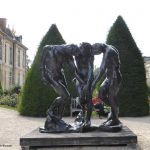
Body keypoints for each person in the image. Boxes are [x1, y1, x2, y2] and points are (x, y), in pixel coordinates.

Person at [40, 44, 83, 132]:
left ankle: (58, 117)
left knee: (66, 97)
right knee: (65, 96)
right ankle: (50, 111)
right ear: (70, 47)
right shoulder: (48, 48)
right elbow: (41, 65)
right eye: (73, 53)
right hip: (51, 76)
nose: (72, 55)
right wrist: (44, 75)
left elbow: (74, 69)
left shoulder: (68, 55)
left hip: (60, 76)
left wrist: (83, 79)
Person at [91, 43, 122, 127]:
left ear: (98, 47)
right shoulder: (107, 48)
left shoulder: (109, 51)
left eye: (96, 52)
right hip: (109, 77)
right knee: (101, 94)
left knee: (112, 98)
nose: (97, 54)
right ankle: (114, 110)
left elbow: (102, 68)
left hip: (115, 77)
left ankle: (115, 120)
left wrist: (94, 82)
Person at [74, 42, 94, 127]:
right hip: (79, 78)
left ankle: (88, 119)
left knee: (89, 98)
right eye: (80, 48)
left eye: (82, 49)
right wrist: (81, 82)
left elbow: (90, 69)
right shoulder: (77, 56)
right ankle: (82, 111)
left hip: (89, 77)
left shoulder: (90, 56)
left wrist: (88, 83)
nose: (80, 50)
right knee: (81, 97)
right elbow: (75, 71)